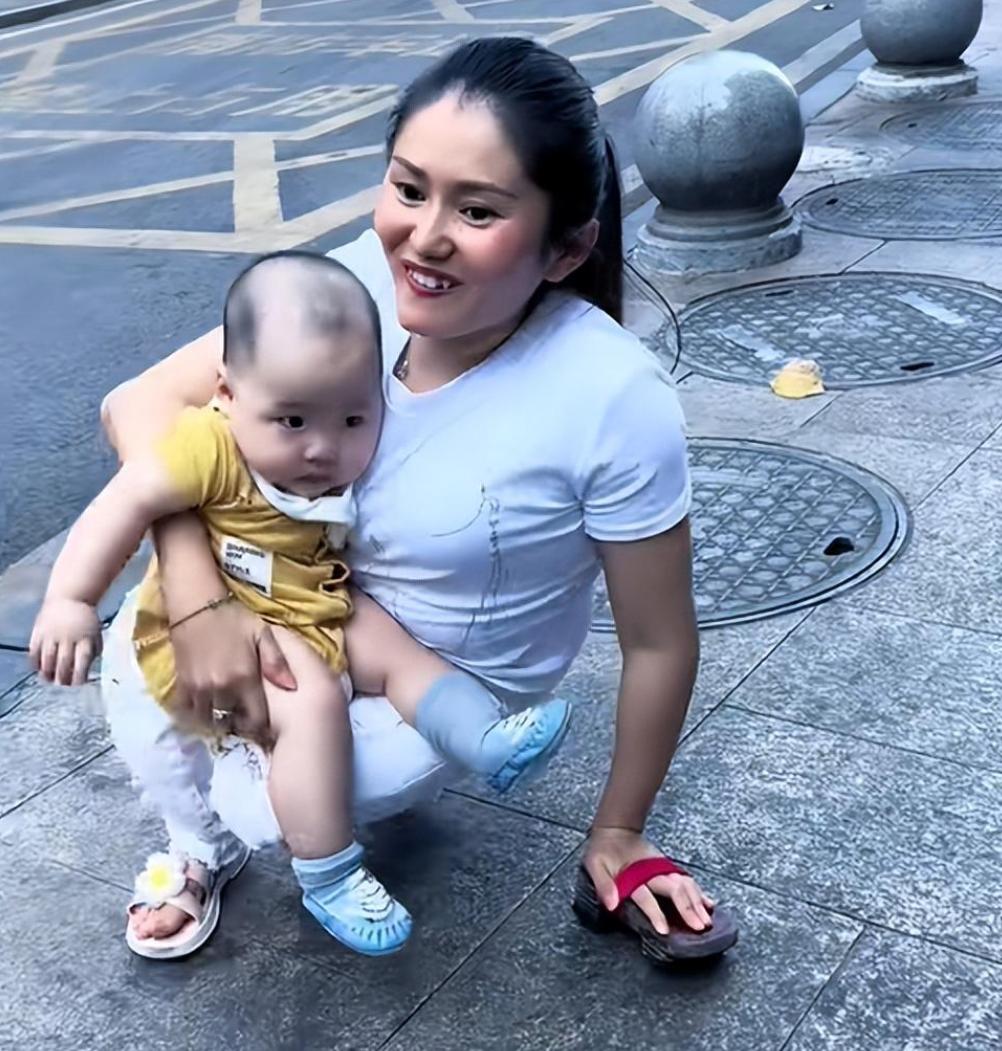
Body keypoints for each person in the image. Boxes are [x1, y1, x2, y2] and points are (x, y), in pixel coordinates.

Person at [100, 35, 724, 958]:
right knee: (135, 644)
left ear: (566, 249)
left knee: (265, 802)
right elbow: (138, 404)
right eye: (407, 188)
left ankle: (272, 814)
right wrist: (198, 602)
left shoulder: (612, 397)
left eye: (477, 210)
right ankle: (198, 847)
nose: (423, 237)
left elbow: (661, 638)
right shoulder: (361, 280)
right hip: (296, 599)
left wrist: (619, 831)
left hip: (436, 685)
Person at [30, 251, 571, 959]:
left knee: (399, 651)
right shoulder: (208, 445)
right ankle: (329, 870)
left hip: (313, 602)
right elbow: (124, 502)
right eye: (291, 420)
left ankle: (484, 736)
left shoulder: (338, 435)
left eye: (352, 418)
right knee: (310, 698)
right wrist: (71, 598)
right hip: (225, 631)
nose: (323, 449)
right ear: (227, 394)